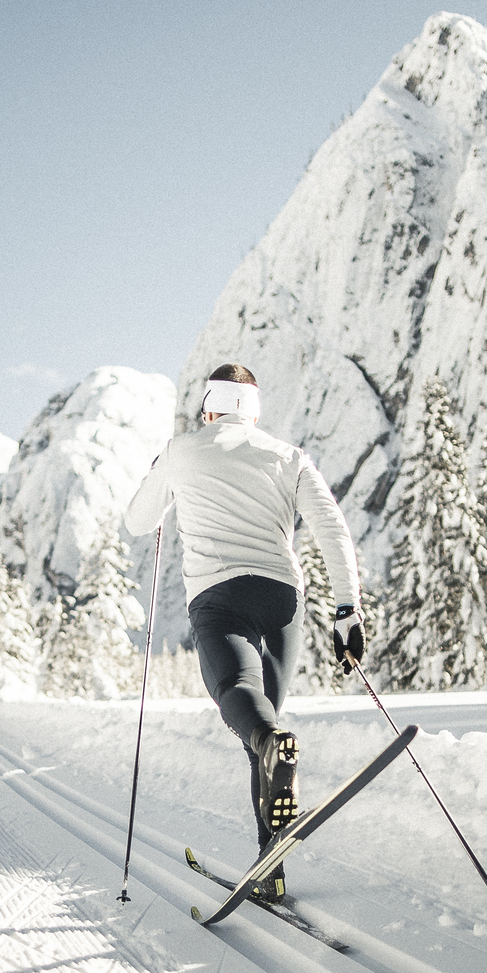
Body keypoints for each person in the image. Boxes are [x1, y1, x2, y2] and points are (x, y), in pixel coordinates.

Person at [123, 363, 367, 903]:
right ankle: (270, 866)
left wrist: (162, 469)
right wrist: (347, 610)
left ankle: (270, 833)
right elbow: (331, 528)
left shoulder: (183, 449)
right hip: (283, 599)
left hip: (220, 597)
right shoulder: (288, 457)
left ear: (209, 406)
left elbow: (138, 521)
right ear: (254, 411)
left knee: (245, 706)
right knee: (266, 728)